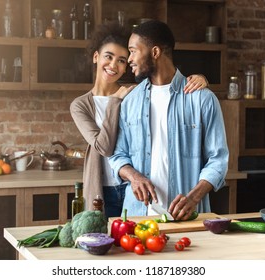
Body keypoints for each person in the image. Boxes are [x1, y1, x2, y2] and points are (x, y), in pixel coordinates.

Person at [70, 23, 209, 219]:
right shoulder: (83, 104)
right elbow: (105, 147)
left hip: (130, 191)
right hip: (104, 189)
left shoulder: (133, 94)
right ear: (96, 57)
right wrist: (114, 100)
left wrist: (201, 78)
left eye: (122, 60)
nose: (113, 65)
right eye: (108, 57)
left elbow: (164, 85)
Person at [108, 20, 229, 220]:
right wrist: (134, 176)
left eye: (133, 51)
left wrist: (193, 198)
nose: (129, 59)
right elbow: (118, 155)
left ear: (155, 52)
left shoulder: (202, 99)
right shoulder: (130, 101)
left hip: (187, 218)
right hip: (137, 217)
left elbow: (218, 160)